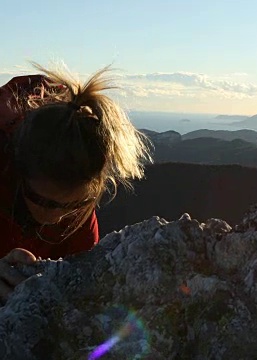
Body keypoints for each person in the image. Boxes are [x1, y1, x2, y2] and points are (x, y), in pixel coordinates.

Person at [0, 63, 152, 303]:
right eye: (45, 201)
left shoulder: (79, 218)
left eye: (74, 204)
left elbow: (79, 279)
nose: (58, 216)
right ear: (18, 170)